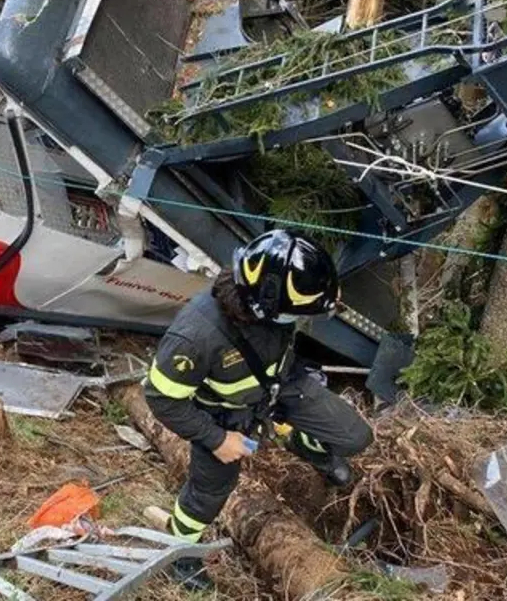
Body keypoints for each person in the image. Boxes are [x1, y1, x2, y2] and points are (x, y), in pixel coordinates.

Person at [144, 229, 373, 590]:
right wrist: (217, 439)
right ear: (262, 306)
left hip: (279, 385)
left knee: (355, 436)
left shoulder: (275, 288)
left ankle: (302, 444)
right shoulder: (195, 337)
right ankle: (179, 552)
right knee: (208, 494)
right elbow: (160, 398)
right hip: (222, 415)